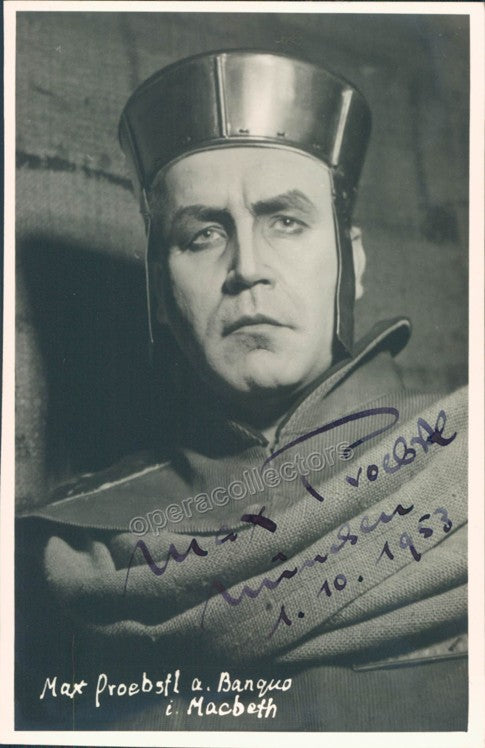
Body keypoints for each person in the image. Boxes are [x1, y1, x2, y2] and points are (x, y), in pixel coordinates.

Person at [16, 50, 467, 732]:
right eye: (202, 234)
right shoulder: (70, 561)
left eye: (285, 221)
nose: (247, 268)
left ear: (352, 261)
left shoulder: (464, 462)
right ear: (159, 294)